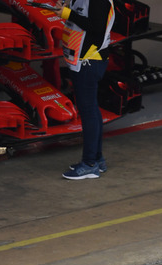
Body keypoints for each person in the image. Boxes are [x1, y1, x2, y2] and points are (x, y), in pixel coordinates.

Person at [55, 0, 114, 180]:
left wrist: (66, 13)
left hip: (89, 61)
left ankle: (89, 164)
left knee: (88, 112)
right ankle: (97, 158)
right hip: (83, 59)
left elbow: (95, 26)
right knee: (92, 110)